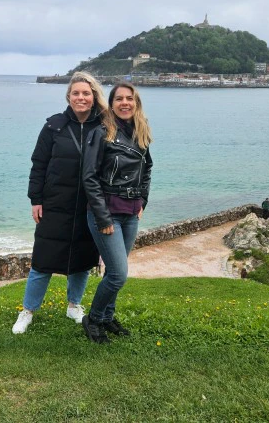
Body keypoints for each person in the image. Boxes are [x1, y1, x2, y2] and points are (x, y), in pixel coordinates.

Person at [12, 72, 108, 334]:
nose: (81, 97)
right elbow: (38, 164)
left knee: (82, 261)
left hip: (88, 207)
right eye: (76, 93)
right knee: (42, 261)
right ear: (68, 96)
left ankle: (74, 306)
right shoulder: (53, 126)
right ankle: (28, 310)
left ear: (93, 97)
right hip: (54, 204)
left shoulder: (103, 127)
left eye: (86, 93)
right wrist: (36, 199)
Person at [81, 82, 153, 343]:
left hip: (131, 213)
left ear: (136, 103)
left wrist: (143, 200)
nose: (125, 103)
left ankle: (108, 316)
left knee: (115, 273)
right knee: (119, 274)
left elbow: (146, 170)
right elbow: (89, 178)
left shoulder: (140, 132)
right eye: (119, 99)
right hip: (107, 214)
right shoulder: (101, 133)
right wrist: (102, 217)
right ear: (111, 104)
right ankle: (94, 319)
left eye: (129, 98)